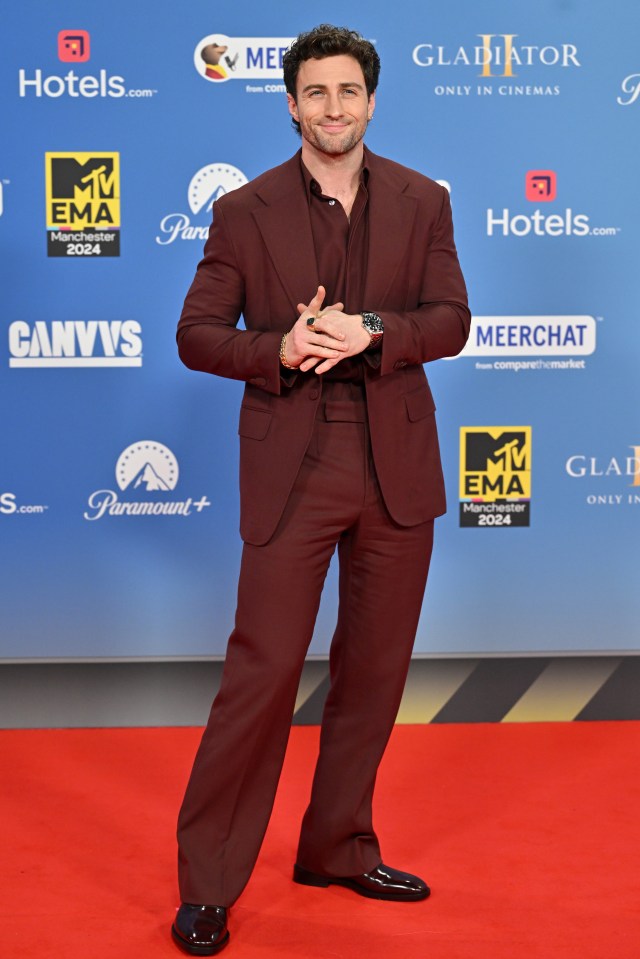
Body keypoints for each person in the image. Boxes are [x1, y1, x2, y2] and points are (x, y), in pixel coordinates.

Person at [171, 24, 470, 956]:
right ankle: (208, 885)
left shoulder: (423, 200)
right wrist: (283, 347)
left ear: (371, 102)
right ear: (290, 103)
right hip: (295, 457)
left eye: (349, 92)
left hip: (396, 459)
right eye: (316, 93)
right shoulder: (246, 210)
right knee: (260, 677)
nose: (333, 108)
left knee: (373, 674)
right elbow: (196, 333)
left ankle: (339, 844)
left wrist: (373, 327)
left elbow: (452, 318)